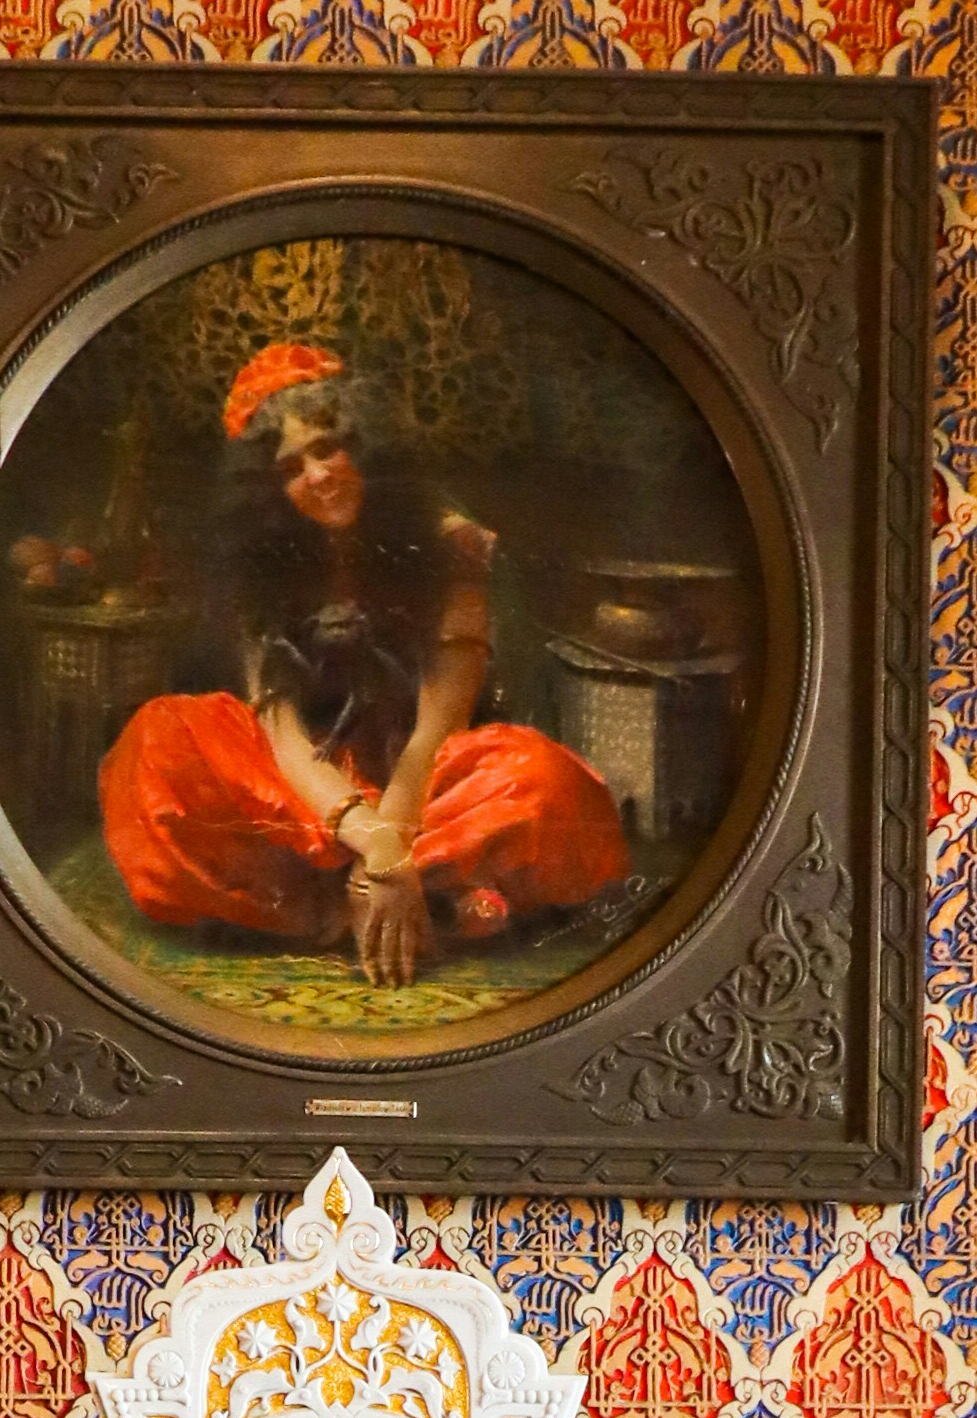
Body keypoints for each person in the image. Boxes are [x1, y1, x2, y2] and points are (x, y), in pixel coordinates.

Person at [94, 342, 632, 986]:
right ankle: (368, 905)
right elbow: (284, 739)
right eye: (291, 467)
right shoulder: (260, 571)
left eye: (327, 448)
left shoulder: (450, 543)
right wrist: (367, 838)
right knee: (155, 746)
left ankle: (396, 892)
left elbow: (437, 727)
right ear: (269, 489)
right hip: (305, 798)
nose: (318, 475)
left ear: (366, 446)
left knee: (545, 783)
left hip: (429, 784)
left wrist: (389, 841)